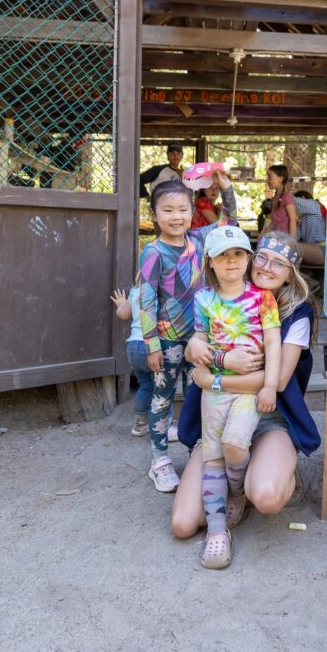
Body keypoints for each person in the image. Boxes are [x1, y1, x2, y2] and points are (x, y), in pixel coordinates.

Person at [172, 231, 321, 541]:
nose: (266, 267)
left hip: (267, 416)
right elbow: (198, 338)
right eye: (262, 257)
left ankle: (262, 473)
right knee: (185, 523)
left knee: (265, 495)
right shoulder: (226, 295)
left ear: (290, 275)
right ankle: (233, 468)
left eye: (278, 264)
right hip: (219, 413)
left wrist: (213, 378)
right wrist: (192, 349)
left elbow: (278, 381)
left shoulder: (298, 313)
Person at [188, 225, 282, 569]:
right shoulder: (204, 299)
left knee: (234, 445)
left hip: (248, 391)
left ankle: (238, 491)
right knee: (213, 457)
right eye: (223, 256)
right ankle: (216, 532)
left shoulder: (262, 298)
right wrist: (202, 351)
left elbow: (272, 343)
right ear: (210, 262)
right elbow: (198, 339)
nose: (232, 261)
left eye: (239, 254)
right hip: (213, 393)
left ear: (248, 258)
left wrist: (269, 385)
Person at [138, 172, 236, 492]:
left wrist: (226, 188)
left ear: (192, 211)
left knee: (197, 394)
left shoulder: (198, 240)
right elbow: (147, 300)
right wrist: (151, 344)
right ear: (154, 214)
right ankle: (160, 461)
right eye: (167, 210)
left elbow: (229, 221)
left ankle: (197, 450)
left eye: (182, 209)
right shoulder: (153, 252)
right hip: (166, 340)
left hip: (198, 337)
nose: (176, 216)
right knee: (162, 399)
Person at [111, 285, 155, 437]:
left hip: (133, 345)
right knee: (163, 389)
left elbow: (123, 315)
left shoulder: (136, 290)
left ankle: (140, 425)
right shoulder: (159, 288)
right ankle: (165, 426)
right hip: (151, 345)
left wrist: (122, 303)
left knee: (145, 386)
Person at [265, 165, 297, 238]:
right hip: (276, 236)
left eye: (270, 178)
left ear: (280, 179)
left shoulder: (287, 197)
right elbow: (274, 221)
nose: (267, 180)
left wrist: (292, 241)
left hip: (285, 239)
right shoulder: (276, 197)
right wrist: (264, 233)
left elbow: (293, 219)